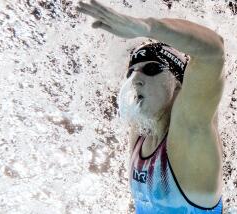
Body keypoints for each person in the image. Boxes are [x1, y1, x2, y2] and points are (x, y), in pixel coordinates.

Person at [76, 1, 225, 213]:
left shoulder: (191, 135)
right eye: (132, 72)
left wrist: (146, 27)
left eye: (152, 69)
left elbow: (213, 52)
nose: (135, 80)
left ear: (180, 84)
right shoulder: (141, 131)